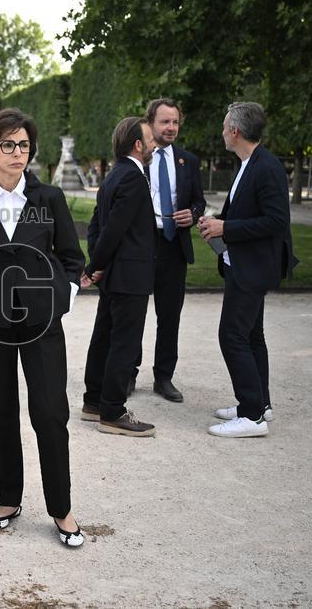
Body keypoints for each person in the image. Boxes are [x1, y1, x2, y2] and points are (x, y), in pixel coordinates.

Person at [0, 108, 85, 547]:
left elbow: (72, 261)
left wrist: (59, 301)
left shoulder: (50, 201)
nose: (17, 152)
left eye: (23, 145)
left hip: (41, 327)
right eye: (8, 145)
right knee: (1, 414)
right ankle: (8, 499)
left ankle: (61, 509)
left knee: (50, 414)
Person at [199, 102, 297, 437]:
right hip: (246, 263)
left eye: (225, 126)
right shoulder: (251, 163)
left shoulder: (265, 167)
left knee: (232, 336)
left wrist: (225, 228)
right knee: (252, 336)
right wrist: (217, 224)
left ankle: (252, 415)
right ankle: (259, 404)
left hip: (252, 266)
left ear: (236, 131)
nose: (223, 131)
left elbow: (276, 221)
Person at [81, 117, 157, 437]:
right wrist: (93, 267)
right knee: (123, 342)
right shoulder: (133, 179)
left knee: (104, 338)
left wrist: (96, 263)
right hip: (130, 274)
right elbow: (113, 229)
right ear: (137, 145)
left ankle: (94, 401)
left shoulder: (113, 176)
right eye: (150, 138)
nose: (154, 143)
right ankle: (112, 410)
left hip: (115, 273)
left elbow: (97, 227)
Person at [129, 99, 206, 402]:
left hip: (174, 246)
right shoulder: (138, 158)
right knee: (135, 312)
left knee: (169, 315)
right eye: (164, 122)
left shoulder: (189, 161)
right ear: (150, 123)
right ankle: (129, 373)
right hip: (141, 245)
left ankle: (164, 377)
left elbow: (199, 200)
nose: (171, 128)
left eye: (174, 122)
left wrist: (194, 213)